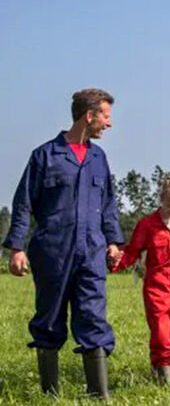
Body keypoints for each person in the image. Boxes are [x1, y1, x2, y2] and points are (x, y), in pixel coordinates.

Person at [3, 88, 124, 398]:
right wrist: (17, 248)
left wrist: (113, 242)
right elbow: (23, 204)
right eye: (106, 116)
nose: (109, 123)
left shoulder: (99, 158)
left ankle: (99, 395)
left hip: (92, 252)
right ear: (89, 115)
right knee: (49, 319)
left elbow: (109, 204)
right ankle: (50, 396)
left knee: (93, 317)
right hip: (52, 253)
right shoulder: (44, 156)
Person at [110, 175, 170, 384]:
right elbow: (133, 251)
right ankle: (164, 378)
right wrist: (116, 263)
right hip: (157, 290)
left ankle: (160, 359)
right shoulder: (147, 225)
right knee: (162, 336)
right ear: (161, 198)